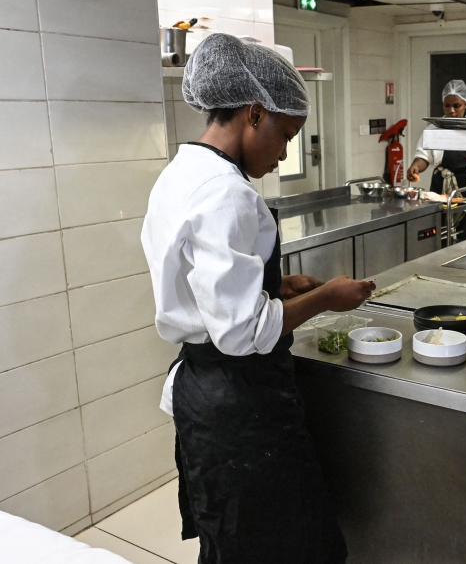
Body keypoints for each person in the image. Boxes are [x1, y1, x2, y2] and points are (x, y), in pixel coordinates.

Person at [141, 33, 374, 564]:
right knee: (282, 546)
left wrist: (274, 288)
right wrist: (326, 299)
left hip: (202, 394)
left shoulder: (180, 174)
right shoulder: (229, 194)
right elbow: (243, 332)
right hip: (240, 401)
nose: (285, 151)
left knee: (229, 540)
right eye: (285, 134)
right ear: (253, 113)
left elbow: (201, 283)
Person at [407, 79, 466, 240]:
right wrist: (415, 167)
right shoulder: (433, 130)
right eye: (447, 105)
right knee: (442, 235)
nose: (452, 111)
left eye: (457, 106)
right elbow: (423, 157)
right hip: (443, 190)